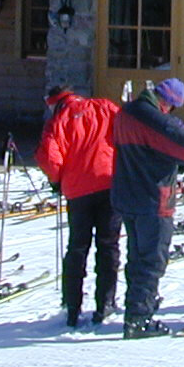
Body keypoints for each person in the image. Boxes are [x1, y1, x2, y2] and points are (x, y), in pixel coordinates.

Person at [111, 78, 184, 337]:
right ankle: (139, 318)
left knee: (136, 257)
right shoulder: (152, 118)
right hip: (152, 198)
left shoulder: (126, 112)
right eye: (172, 108)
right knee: (152, 260)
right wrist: (174, 127)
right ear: (166, 102)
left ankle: (138, 306)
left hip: (127, 195)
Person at [37, 85, 123, 328]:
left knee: (77, 247)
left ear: (54, 102)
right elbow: (125, 134)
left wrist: (56, 179)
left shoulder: (59, 119)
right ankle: (105, 303)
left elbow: (49, 156)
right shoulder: (105, 107)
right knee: (108, 246)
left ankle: (72, 306)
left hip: (77, 190)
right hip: (108, 184)